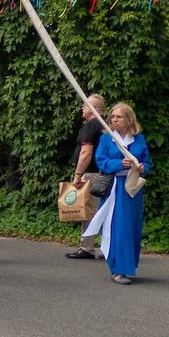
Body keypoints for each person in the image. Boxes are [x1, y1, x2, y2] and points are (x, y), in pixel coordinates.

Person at [82, 103, 152, 285]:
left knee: (131, 228)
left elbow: (147, 161)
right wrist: (120, 164)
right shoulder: (107, 139)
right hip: (114, 188)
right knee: (117, 228)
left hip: (132, 189)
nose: (114, 120)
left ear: (129, 119)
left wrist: (143, 167)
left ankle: (129, 267)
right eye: (112, 117)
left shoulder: (138, 139)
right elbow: (101, 162)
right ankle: (117, 270)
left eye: (118, 117)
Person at [66, 94, 107, 260]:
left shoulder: (91, 126)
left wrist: (78, 175)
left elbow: (86, 152)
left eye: (84, 105)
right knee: (104, 211)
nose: (82, 108)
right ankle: (106, 248)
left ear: (94, 109)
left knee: (88, 211)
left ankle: (87, 248)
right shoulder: (106, 125)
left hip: (91, 173)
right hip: (105, 173)